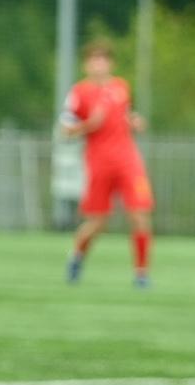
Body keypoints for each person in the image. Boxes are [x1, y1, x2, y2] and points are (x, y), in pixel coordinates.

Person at [60, 40, 155, 288]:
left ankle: (141, 274)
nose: (99, 65)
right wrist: (88, 124)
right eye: (94, 59)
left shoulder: (121, 87)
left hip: (128, 161)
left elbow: (126, 114)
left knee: (140, 214)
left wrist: (134, 121)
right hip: (99, 163)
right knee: (98, 222)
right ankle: (77, 256)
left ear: (110, 64)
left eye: (103, 59)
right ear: (86, 64)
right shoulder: (79, 93)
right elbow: (65, 130)